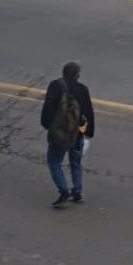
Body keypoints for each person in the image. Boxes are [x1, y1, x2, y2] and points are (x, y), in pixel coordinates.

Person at [40, 62, 95, 208]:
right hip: (77, 132)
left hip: (60, 133)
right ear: (77, 76)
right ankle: (77, 192)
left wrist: (48, 126)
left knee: (54, 161)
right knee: (75, 162)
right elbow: (88, 113)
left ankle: (64, 190)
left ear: (63, 73)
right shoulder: (83, 89)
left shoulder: (55, 86)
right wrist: (86, 132)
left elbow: (48, 108)